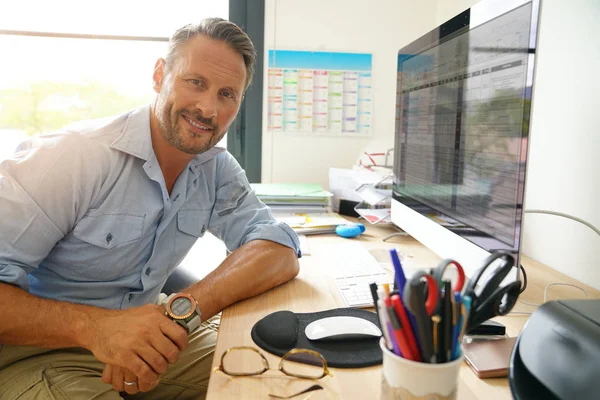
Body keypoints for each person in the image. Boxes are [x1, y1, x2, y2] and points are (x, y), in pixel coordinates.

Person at [0, 18, 300, 399]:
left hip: (153, 334)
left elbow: (278, 250)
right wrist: (100, 330)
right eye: (196, 83)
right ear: (160, 75)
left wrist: (182, 309)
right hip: (39, 352)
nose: (208, 108)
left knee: (284, 380)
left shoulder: (216, 168)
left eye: (227, 94)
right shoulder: (73, 157)